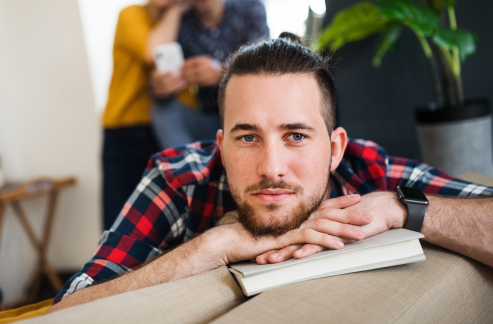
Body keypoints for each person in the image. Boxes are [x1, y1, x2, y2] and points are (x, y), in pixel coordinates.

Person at [50, 34, 493, 313]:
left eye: (296, 136)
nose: (271, 168)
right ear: (220, 146)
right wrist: (215, 245)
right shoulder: (177, 178)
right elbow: (69, 308)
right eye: (247, 138)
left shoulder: (368, 168)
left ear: (335, 149)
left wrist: (404, 207)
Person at [102, 0, 195, 230]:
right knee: (118, 226)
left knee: (163, 227)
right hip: (126, 134)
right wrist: (177, 8)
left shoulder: (186, 22)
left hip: (165, 131)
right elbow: (153, 51)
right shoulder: (130, 14)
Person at [149, 0, 270, 149]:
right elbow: (153, 55)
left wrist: (223, 72)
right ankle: (190, 179)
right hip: (210, 122)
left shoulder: (250, 9)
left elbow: (266, 69)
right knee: (163, 110)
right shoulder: (182, 25)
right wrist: (160, 87)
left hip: (255, 114)